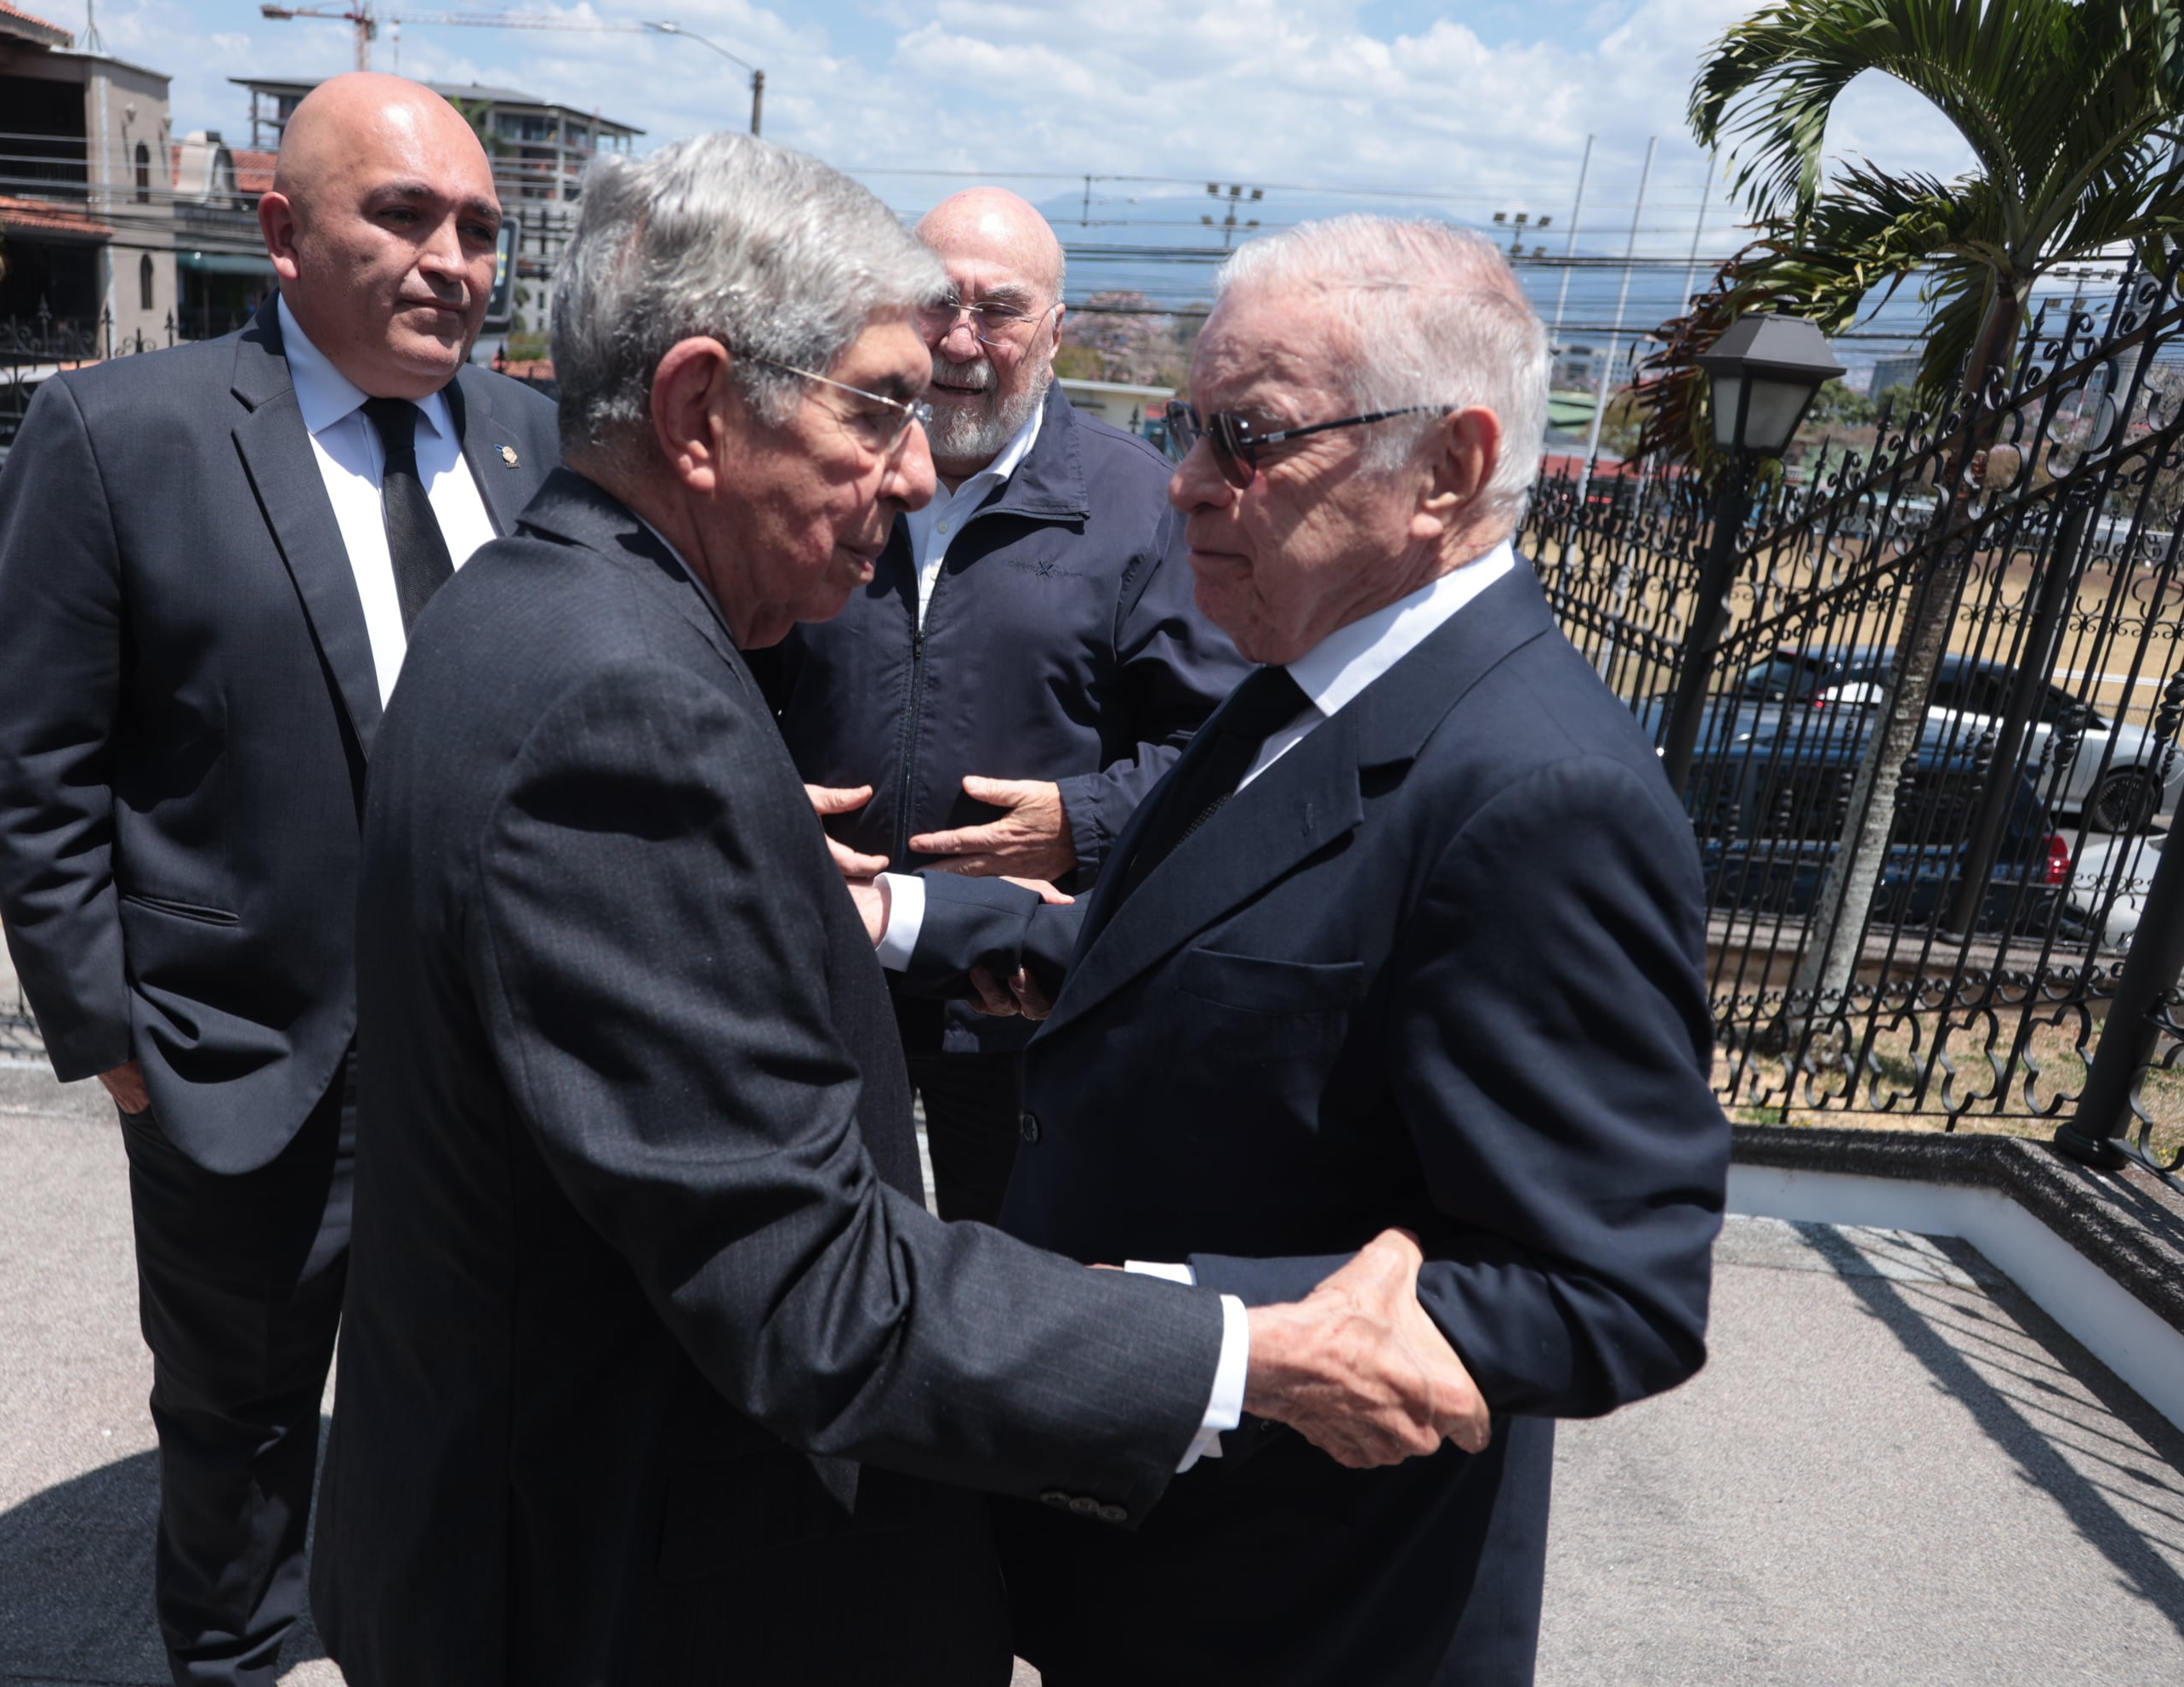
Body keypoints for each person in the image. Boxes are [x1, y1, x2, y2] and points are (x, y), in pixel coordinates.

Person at [310, 133, 1493, 1687]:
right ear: (699, 409)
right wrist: (1256, 1353)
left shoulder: (540, 609)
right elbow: (814, 1289)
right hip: (619, 1586)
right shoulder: (620, 703)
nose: (920, 468)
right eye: (879, 407)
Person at [873, 216, 1732, 1686]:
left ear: (1447, 471)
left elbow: (1614, 1288)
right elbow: (1192, 962)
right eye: (1184, 428)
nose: (1187, 482)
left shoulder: (1536, 793)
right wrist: (897, 914)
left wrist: (1166, 1313)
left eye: (1248, 436)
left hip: (1309, 1612)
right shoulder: (1297, 684)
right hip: (1150, 1562)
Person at [0, 75, 560, 1687]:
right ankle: (229, 1650)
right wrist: (111, 1033)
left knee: (481, 1391)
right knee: (235, 1411)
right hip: (250, 1054)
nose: (455, 261)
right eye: (407, 215)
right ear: (281, 227)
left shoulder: (529, 437)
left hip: (507, 1063)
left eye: (483, 229)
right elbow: (31, 758)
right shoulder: (121, 432)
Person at [754, 187, 1244, 1224]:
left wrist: (1084, 822)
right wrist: (756, 790)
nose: (965, 338)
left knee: (1010, 1297)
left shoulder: (1133, 509)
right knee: (813, 1280)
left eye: (1002, 310)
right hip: (816, 973)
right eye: (939, 301)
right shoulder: (818, 470)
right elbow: (726, 663)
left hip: (1019, 994)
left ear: (1057, 333)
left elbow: (1220, 741)